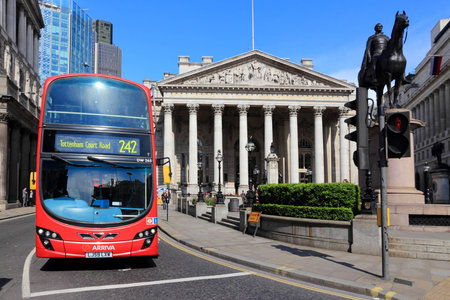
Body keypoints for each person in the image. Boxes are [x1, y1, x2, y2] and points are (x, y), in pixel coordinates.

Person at [359, 23, 389, 88]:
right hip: (376, 54)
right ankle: (374, 77)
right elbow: (368, 49)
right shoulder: (372, 38)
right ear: (375, 28)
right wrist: (369, 57)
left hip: (384, 55)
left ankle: (402, 77)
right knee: (374, 62)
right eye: (378, 26)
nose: (379, 27)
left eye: (381, 26)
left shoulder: (386, 38)